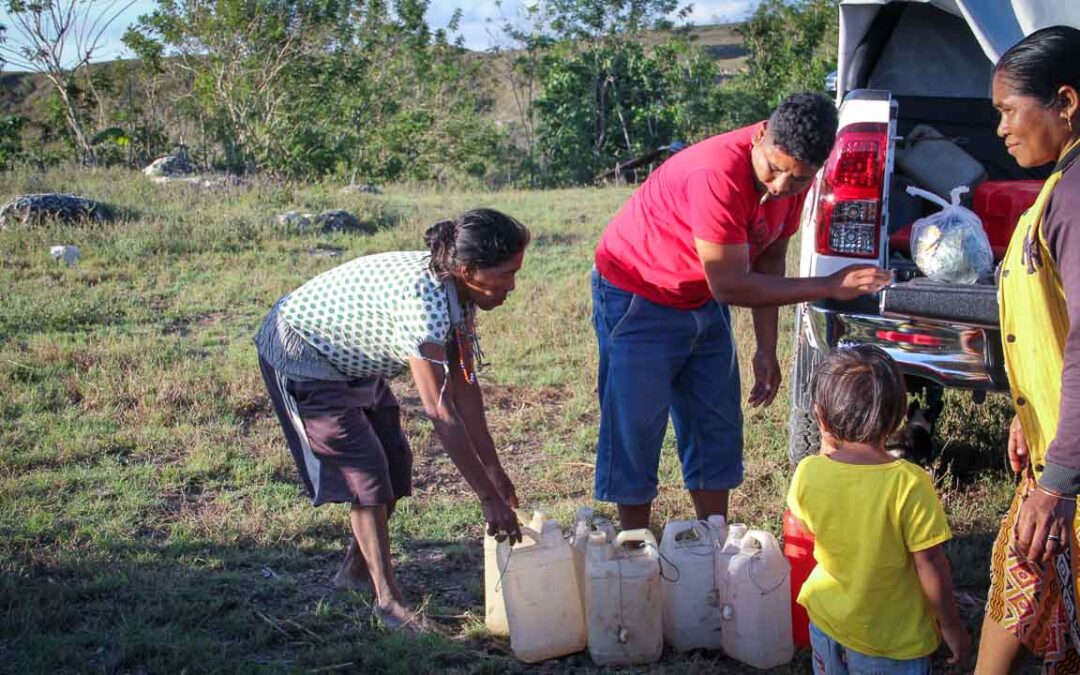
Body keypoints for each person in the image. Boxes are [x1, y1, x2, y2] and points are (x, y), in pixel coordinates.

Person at [591, 92, 893, 530]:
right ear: (761, 136)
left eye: (798, 180)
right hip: (640, 295)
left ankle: (714, 544)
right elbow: (730, 284)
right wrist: (829, 285)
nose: (779, 188)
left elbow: (770, 257)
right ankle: (633, 546)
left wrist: (767, 348)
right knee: (636, 426)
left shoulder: (792, 183)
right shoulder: (718, 173)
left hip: (701, 296)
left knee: (716, 425)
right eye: (774, 169)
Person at [254, 208, 528, 631]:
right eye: (505, 274)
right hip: (303, 352)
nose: (512, 286)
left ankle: (354, 573)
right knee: (367, 471)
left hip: (355, 360)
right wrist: (487, 499)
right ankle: (389, 602)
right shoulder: (424, 306)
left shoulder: (460, 292)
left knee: (395, 463)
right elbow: (440, 410)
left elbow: (465, 387)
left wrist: (495, 473)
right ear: (466, 268)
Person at [976, 26, 1080, 673]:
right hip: (1055, 450)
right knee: (1021, 578)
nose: (1002, 129)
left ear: (1065, 102)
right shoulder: (1060, 186)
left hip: (1067, 467)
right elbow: (1058, 324)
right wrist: (1030, 407)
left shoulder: (1075, 194)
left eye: (1009, 110)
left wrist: (1061, 480)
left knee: (1027, 565)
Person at [788, 345, 970, 673]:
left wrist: (828, 444)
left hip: (827, 624)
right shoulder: (909, 485)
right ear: (899, 416)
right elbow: (931, 566)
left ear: (821, 416)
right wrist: (951, 625)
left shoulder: (808, 472)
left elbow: (810, 526)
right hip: (892, 642)